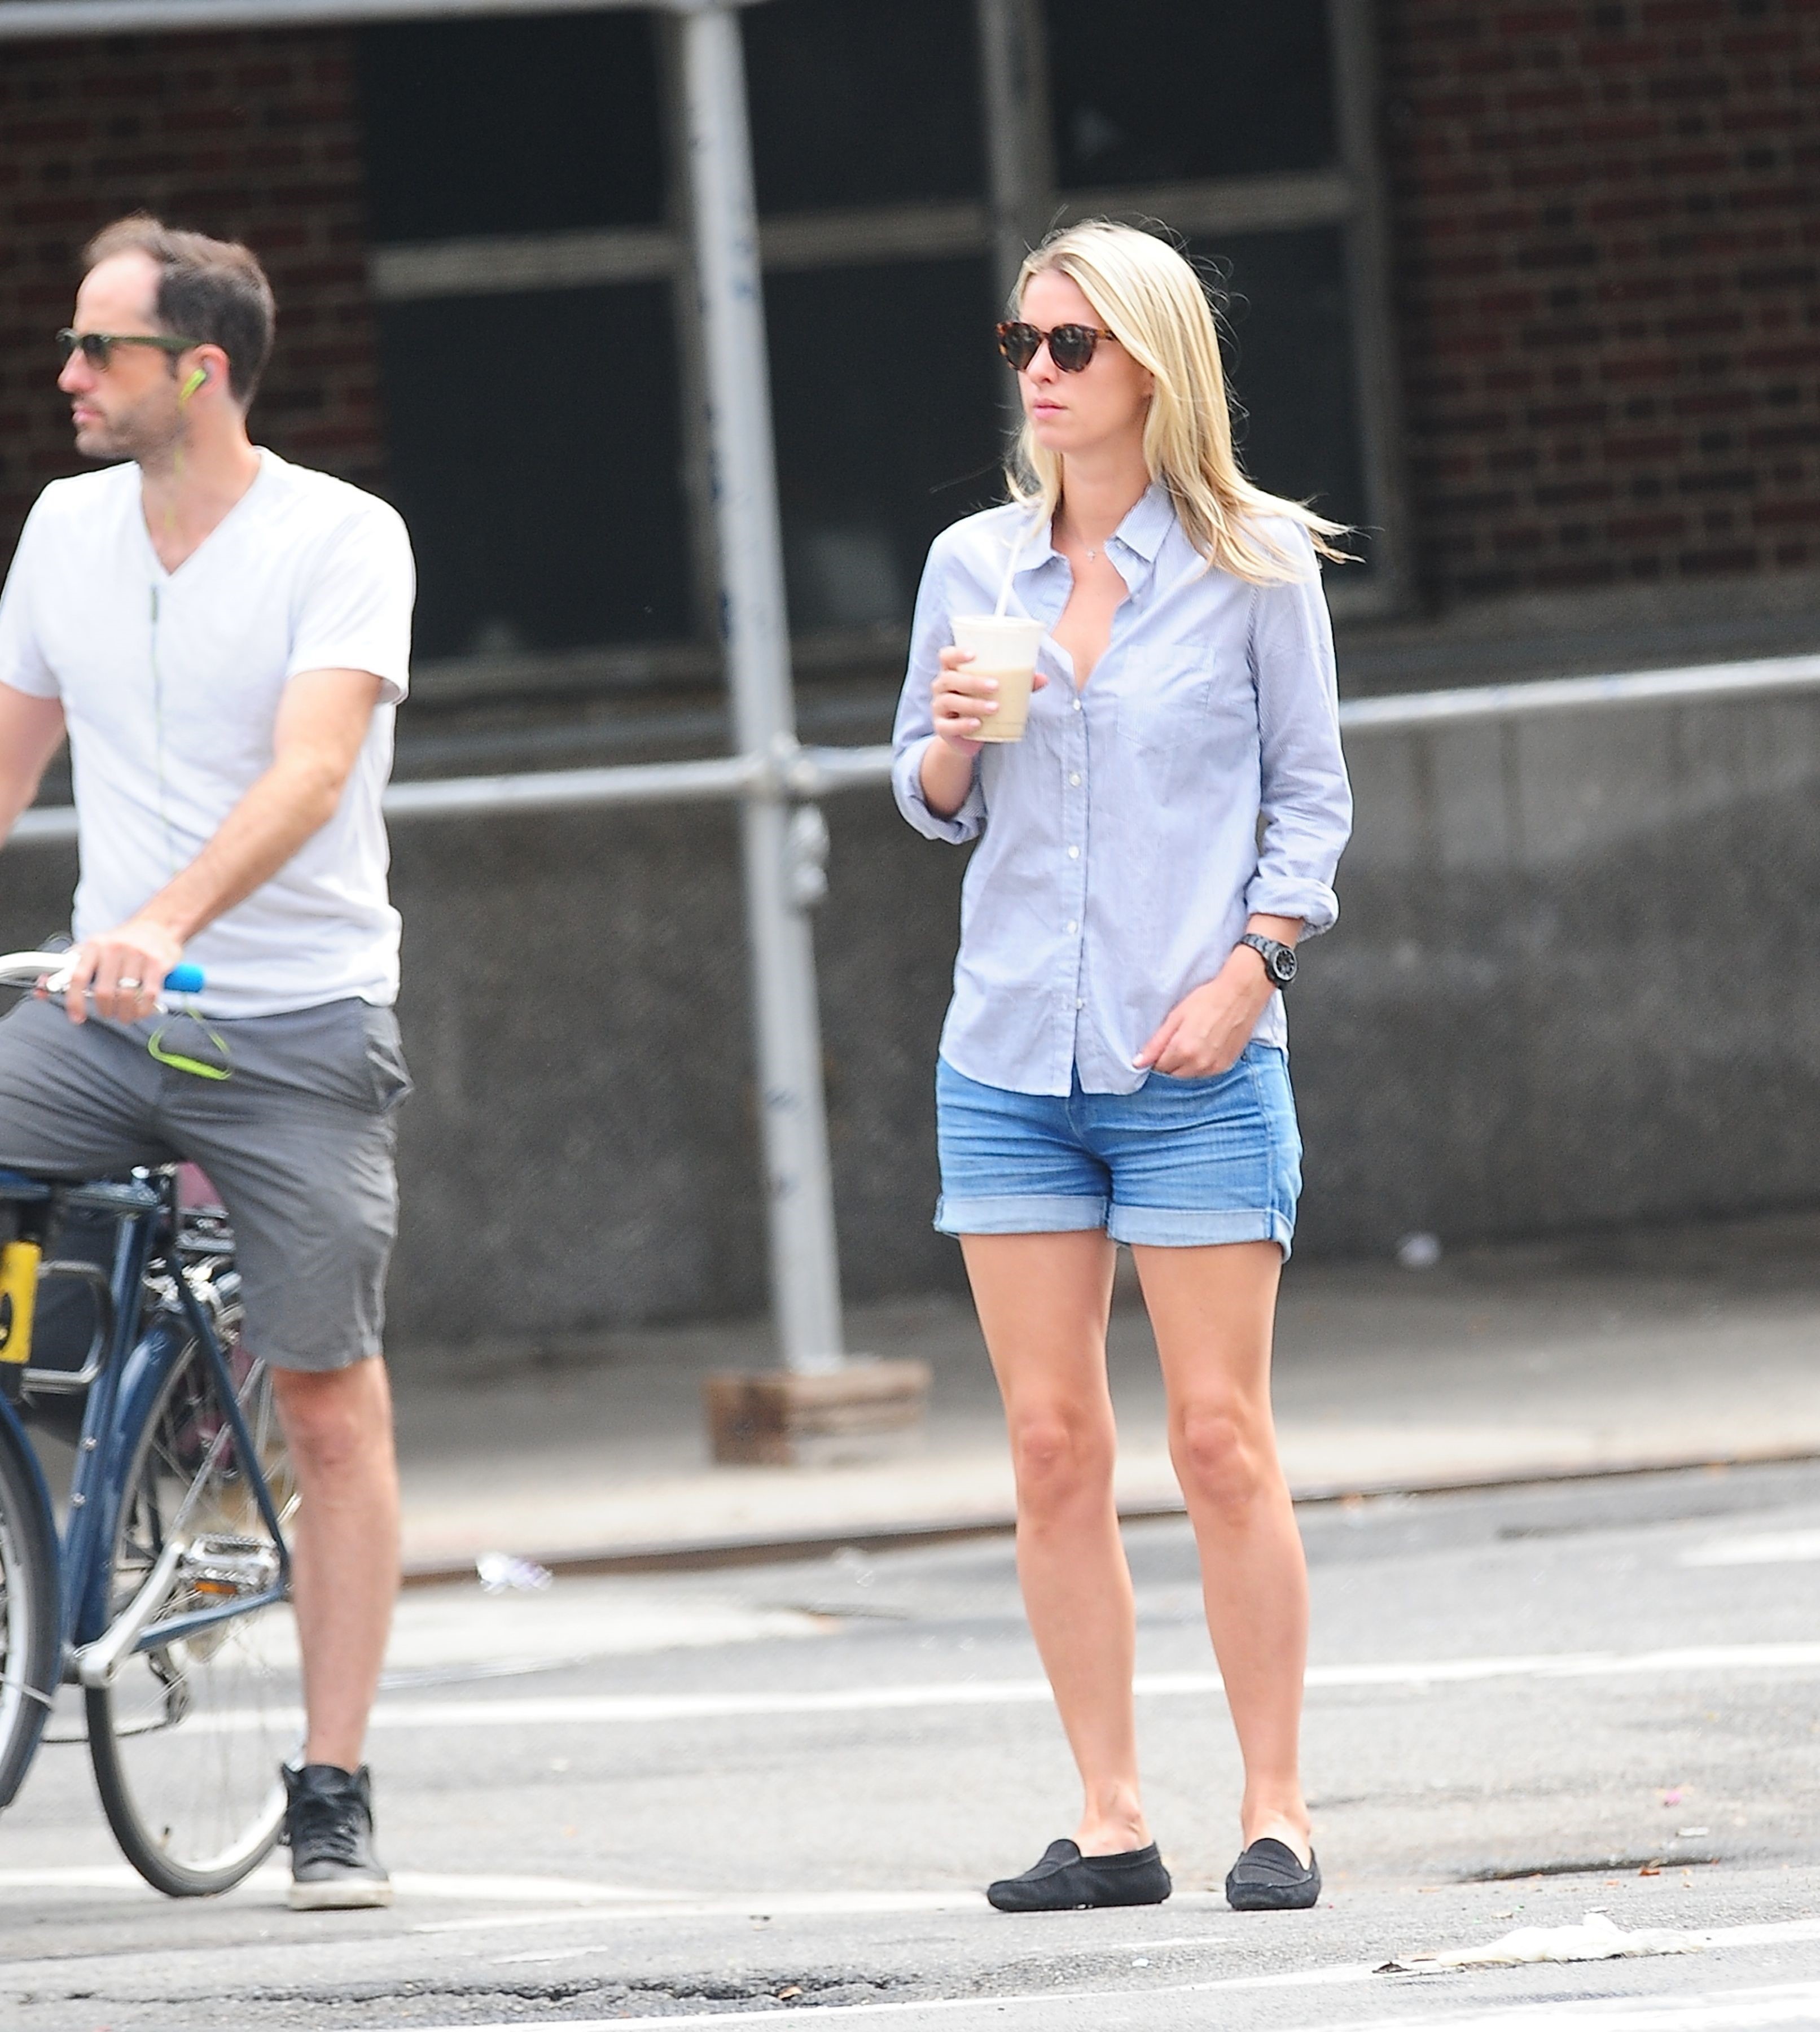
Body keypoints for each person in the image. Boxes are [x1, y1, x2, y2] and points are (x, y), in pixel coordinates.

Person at [891, 222, 1352, 1914]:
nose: (1037, 370)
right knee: (1047, 1445)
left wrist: (1251, 971)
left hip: (1193, 1056)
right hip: (1008, 1050)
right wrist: (948, 735)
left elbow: (1310, 804)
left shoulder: (1253, 566)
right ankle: (1107, 1815)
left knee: (1219, 1438)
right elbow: (928, 803)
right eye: (1022, 340)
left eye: (1072, 343)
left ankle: (1279, 1808)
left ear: (1151, 365)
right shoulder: (973, 566)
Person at [0, 217, 414, 1909]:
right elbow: (8, 756)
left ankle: (331, 1785)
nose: (69, 377)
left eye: (100, 350)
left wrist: (164, 919)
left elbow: (312, 772)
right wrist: (122, 952)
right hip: (96, 1026)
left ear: (202, 370)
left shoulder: (341, 536)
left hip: (292, 1028)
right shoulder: (62, 528)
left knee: (325, 1395)